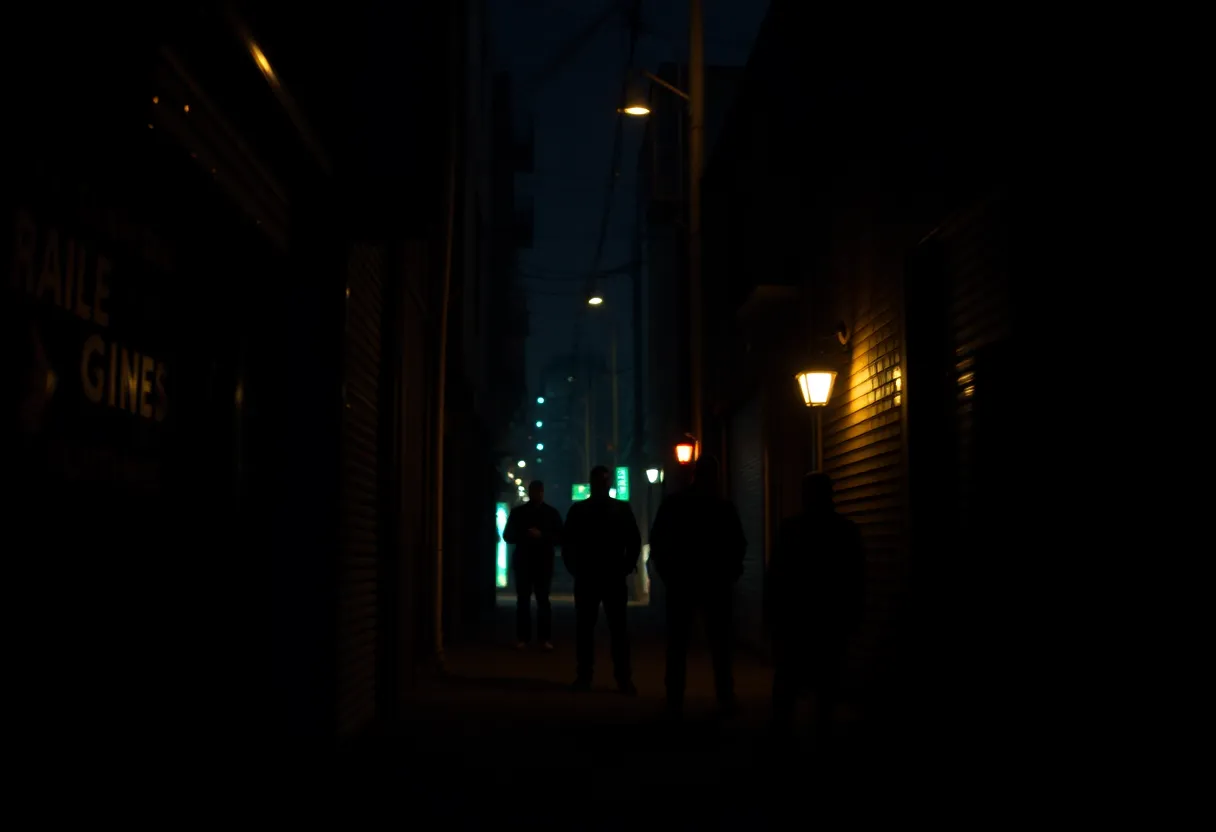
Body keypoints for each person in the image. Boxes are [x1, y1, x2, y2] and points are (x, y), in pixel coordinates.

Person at [768, 472, 865, 740]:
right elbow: (855, 577)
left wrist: (773, 616)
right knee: (826, 681)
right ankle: (822, 734)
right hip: (830, 617)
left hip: (797, 618)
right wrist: (854, 613)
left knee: (789, 679)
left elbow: (776, 576)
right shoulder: (845, 530)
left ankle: (782, 734)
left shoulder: (791, 530)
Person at [648, 454, 746, 718]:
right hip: (715, 582)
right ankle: (724, 693)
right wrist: (731, 573)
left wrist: (667, 573)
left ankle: (675, 696)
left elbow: (658, 540)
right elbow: (738, 544)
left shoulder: (675, 503)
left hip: (682, 581)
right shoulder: (723, 506)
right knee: (720, 642)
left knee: (678, 642)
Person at [562, 465, 641, 694]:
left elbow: (568, 543)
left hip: (592, 575)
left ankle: (586, 676)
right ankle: (621, 678)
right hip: (609, 575)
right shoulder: (620, 509)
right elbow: (633, 540)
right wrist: (626, 566)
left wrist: (575, 569)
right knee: (615, 629)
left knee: (589, 629)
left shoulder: (580, 510)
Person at [502, 480, 564, 650]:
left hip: (529, 561)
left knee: (530, 601)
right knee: (538, 601)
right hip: (538, 562)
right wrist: (541, 536)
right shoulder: (550, 513)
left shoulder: (519, 513)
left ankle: (527, 638)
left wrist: (534, 535)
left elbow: (508, 536)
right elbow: (560, 537)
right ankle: (540, 639)